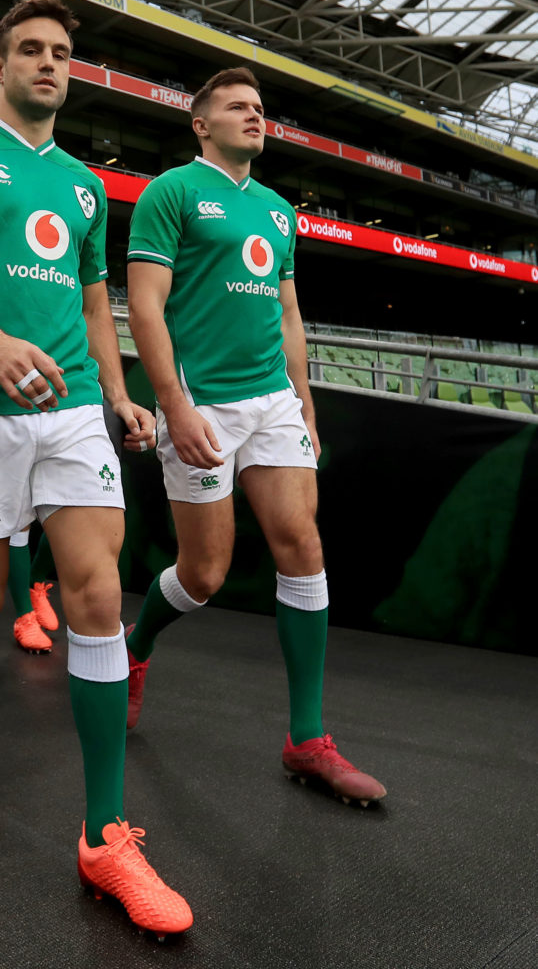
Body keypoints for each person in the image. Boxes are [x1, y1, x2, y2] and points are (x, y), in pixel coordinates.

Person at [0, 0, 192, 937]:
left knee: (97, 598)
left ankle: (105, 838)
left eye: (62, 53)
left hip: (68, 414)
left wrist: (118, 393)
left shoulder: (83, 186)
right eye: (29, 50)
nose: (48, 64)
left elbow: (97, 300)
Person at [126, 67, 386, 806]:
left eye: (261, 109)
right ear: (200, 124)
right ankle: (136, 647)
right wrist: (172, 403)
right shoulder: (171, 192)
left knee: (301, 543)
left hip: (272, 401)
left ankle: (307, 739)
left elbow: (288, 316)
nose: (255, 116)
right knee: (204, 573)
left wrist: (302, 402)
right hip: (202, 405)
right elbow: (145, 308)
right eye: (238, 107)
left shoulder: (278, 211)